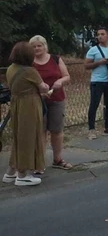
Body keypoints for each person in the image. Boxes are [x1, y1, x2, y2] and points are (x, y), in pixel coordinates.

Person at [2, 42, 48, 186]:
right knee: (29, 137)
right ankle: (22, 174)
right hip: (29, 105)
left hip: (16, 103)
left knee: (19, 137)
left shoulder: (11, 68)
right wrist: (46, 87)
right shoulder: (30, 71)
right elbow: (43, 87)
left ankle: (11, 172)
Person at [30, 35, 72, 170]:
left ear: (45, 46)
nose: (37, 48)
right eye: (34, 46)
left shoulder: (55, 59)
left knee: (56, 130)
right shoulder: (29, 62)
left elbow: (67, 76)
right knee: (40, 131)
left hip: (56, 98)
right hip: (37, 100)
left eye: (39, 45)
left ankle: (57, 159)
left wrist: (60, 81)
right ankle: (39, 162)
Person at [85, 26, 108, 139]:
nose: (100, 36)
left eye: (102, 34)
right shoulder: (93, 50)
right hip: (97, 81)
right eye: (98, 34)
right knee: (94, 105)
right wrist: (99, 62)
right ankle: (91, 129)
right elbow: (86, 65)